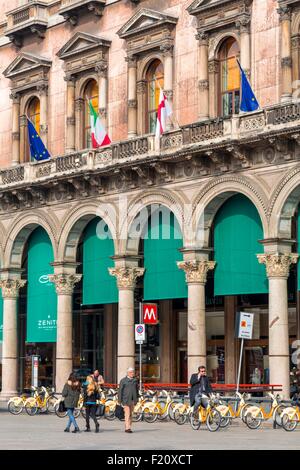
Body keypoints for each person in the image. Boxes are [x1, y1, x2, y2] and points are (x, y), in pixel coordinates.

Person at [118, 367, 139, 433]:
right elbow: (120, 391)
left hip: (133, 400)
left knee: (130, 414)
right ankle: (127, 428)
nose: (132, 373)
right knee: (127, 413)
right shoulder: (123, 380)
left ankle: (128, 426)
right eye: (131, 372)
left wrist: (137, 398)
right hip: (126, 399)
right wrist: (119, 400)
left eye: (133, 372)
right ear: (128, 373)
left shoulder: (135, 380)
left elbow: (136, 390)